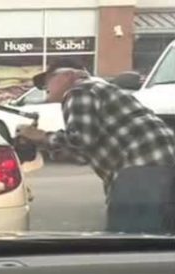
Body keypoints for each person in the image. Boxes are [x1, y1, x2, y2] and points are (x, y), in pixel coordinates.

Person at [17, 58, 175, 234]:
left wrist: (40, 136)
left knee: (131, 238)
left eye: (48, 80)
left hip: (141, 165)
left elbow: (81, 141)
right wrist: (43, 142)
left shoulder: (79, 90)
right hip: (160, 159)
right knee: (161, 237)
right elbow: (83, 153)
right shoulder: (99, 89)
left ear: (68, 75)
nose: (45, 88)